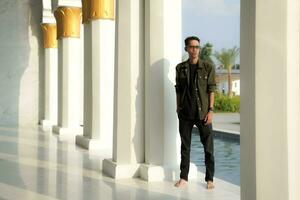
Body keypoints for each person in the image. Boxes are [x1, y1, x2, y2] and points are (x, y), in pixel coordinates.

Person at [174, 36, 216, 189]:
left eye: (197, 47)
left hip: (203, 113)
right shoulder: (180, 68)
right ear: (186, 49)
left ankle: (210, 179)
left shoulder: (207, 67)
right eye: (191, 47)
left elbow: (211, 90)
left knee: (208, 147)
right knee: (185, 147)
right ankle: (183, 178)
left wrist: (210, 110)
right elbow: (178, 89)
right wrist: (177, 107)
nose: (195, 50)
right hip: (185, 113)